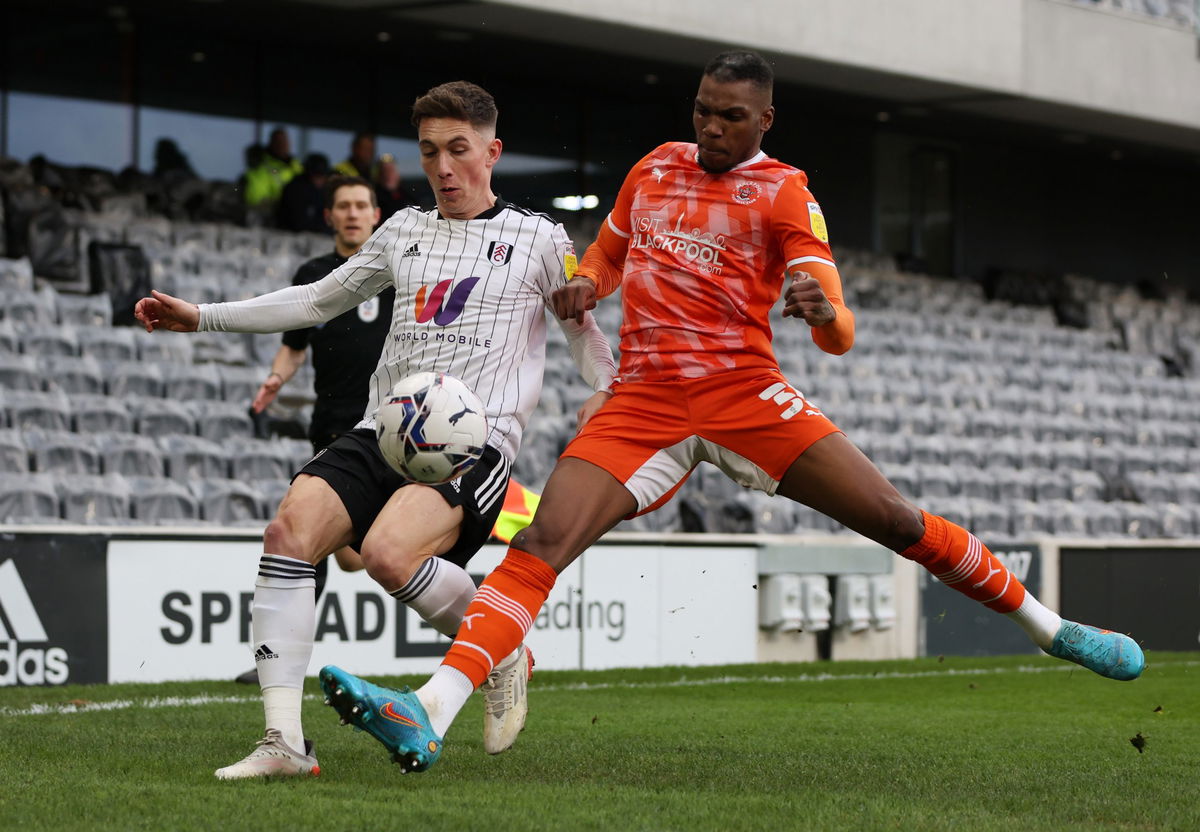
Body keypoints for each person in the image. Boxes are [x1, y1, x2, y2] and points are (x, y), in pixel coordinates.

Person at [319, 50, 1147, 775]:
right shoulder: (653, 170)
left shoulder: (785, 192)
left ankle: (1049, 626)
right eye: (702, 111)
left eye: (731, 116)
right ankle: (429, 708)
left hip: (742, 394)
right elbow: (605, 260)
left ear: (765, 119)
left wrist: (822, 312)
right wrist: (586, 284)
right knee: (543, 541)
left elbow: (839, 325)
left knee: (895, 518)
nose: (712, 127)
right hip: (643, 399)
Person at [133, 80, 616, 779]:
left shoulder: (540, 239)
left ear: (492, 151)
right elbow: (317, 299)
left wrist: (606, 392)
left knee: (389, 554)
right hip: (384, 428)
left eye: (458, 150)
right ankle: (284, 745)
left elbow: (582, 333)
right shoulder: (403, 231)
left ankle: (500, 647)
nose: (443, 167)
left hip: (472, 443)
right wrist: (201, 315)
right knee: (289, 532)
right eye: (428, 153)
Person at [231, 174, 383, 686]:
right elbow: (294, 344)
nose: (353, 213)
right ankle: (280, 660)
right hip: (334, 426)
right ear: (330, 216)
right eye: (344, 206)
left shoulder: (398, 273)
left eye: (362, 205)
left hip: (392, 426)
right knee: (311, 540)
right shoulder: (315, 274)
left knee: (337, 548)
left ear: (376, 214)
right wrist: (276, 376)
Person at [244, 127, 303, 210]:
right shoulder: (261, 167)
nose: (282, 145)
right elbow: (255, 197)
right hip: (273, 214)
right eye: (278, 142)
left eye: (284, 141)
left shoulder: (297, 166)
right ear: (271, 144)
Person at [277, 153, 331, 233]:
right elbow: (299, 223)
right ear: (308, 174)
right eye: (317, 175)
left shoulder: (323, 190)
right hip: (290, 235)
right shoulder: (296, 190)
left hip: (315, 234)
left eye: (322, 175)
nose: (320, 179)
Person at [374, 152, 416, 217]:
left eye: (391, 170)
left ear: (398, 174)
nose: (388, 175)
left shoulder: (408, 196)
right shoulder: (373, 198)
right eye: (384, 171)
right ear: (378, 175)